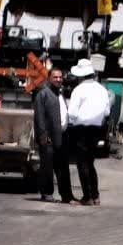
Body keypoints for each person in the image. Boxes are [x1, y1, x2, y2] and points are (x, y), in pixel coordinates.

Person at [65, 58, 111, 205]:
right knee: (90, 163)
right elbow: (106, 112)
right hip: (97, 130)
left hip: (81, 130)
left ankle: (87, 197)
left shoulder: (78, 90)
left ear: (80, 75)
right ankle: (96, 196)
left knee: (82, 164)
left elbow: (72, 113)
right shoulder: (102, 90)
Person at [33, 67, 75, 203]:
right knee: (47, 167)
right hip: (48, 138)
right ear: (49, 78)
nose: (58, 79)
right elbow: (39, 117)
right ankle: (46, 193)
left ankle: (66, 195)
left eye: (60, 77)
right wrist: (43, 135)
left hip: (62, 137)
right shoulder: (43, 94)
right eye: (55, 77)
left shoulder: (60, 94)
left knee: (63, 167)